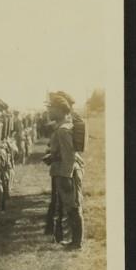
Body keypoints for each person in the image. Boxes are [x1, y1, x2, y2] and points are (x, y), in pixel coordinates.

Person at [43, 92, 85, 250]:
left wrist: (67, 177)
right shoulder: (62, 127)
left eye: (51, 108)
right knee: (70, 205)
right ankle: (75, 240)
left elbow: (68, 156)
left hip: (65, 171)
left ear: (60, 110)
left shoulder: (62, 130)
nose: (49, 111)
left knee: (72, 205)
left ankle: (76, 242)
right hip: (62, 169)